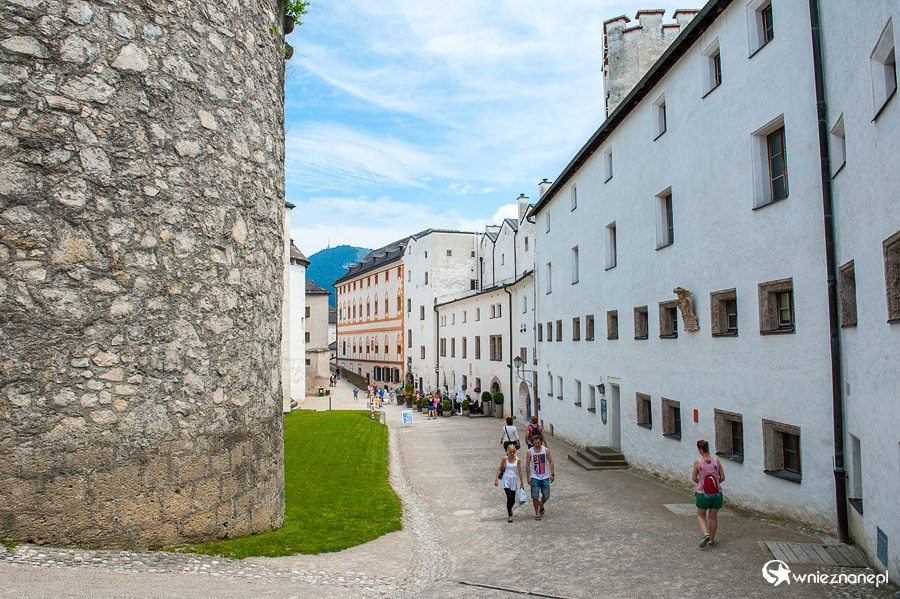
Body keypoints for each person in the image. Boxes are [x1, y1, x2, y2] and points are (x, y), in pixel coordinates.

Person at [692, 439, 725, 547]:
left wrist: (702, 483)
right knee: (713, 516)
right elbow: (723, 477)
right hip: (717, 494)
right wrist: (714, 485)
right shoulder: (716, 461)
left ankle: (706, 534)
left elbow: (694, 478)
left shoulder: (698, 462)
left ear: (699, 449)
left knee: (701, 515)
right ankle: (711, 540)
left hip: (703, 493)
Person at [494, 444, 524, 522]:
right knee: (509, 497)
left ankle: (510, 508)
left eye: (513, 452)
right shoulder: (505, 459)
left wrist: (521, 482)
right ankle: (510, 515)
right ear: (508, 452)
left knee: (513, 500)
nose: (512, 453)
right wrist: (496, 479)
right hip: (506, 478)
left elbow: (520, 471)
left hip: (513, 479)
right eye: (510, 452)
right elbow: (500, 468)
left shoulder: (518, 460)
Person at [526, 434, 554, 520]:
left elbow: (550, 461)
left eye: (538, 443)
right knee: (535, 496)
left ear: (540, 442)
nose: (537, 444)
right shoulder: (530, 451)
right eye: (535, 443)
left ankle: (541, 504)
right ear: (533, 443)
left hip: (544, 476)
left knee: (546, 494)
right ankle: (537, 513)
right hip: (534, 476)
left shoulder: (545, 450)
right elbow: (527, 464)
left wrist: (552, 474)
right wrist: (528, 477)